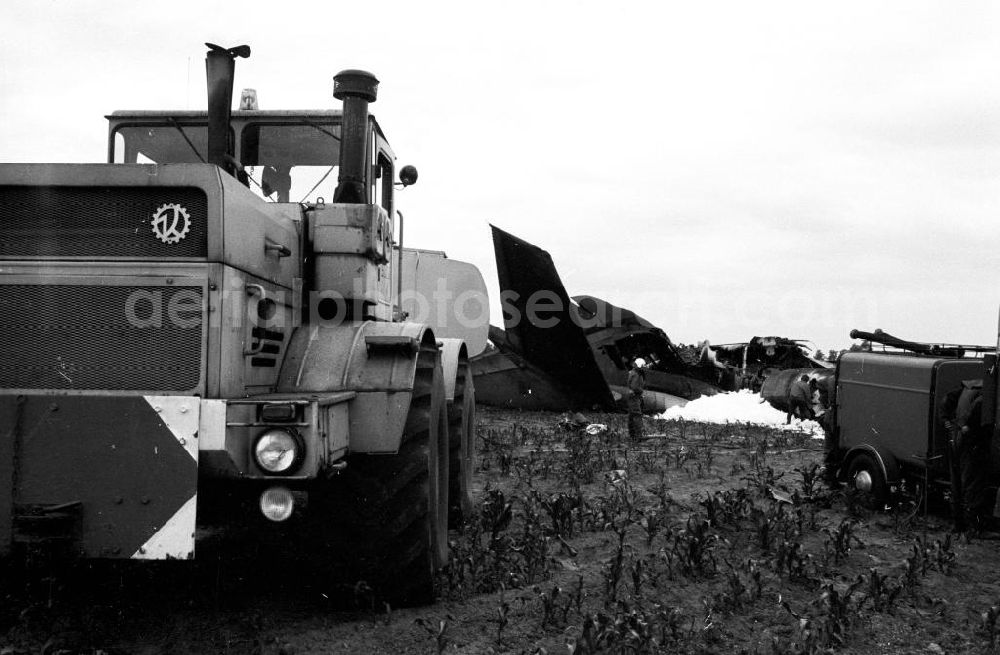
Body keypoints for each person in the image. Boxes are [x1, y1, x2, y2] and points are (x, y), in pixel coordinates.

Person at [940, 379, 997, 534]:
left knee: (957, 484)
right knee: (972, 485)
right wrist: (969, 426)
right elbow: (978, 409)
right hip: (971, 443)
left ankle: (958, 525)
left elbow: (947, 399)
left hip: (955, 439)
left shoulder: (969, 386)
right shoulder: (988, 392)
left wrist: (947, 421)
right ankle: (972, 527)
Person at [627, 358, 646, 441]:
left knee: (632, 415)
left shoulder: (633, 372)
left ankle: (632, 435)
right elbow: (635, 387)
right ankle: (639, 436)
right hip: (635, 397)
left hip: (633, 397)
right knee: (637, 415)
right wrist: (641, 391)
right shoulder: (636, 374)